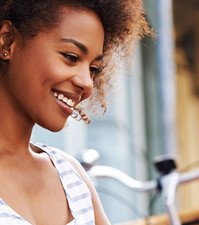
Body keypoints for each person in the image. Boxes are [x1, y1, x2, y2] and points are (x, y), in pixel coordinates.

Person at [0, 0, 151, 224]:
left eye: (93, 69)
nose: (87, 84)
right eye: (71, 57)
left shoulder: (71, 175)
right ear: (7, 41)